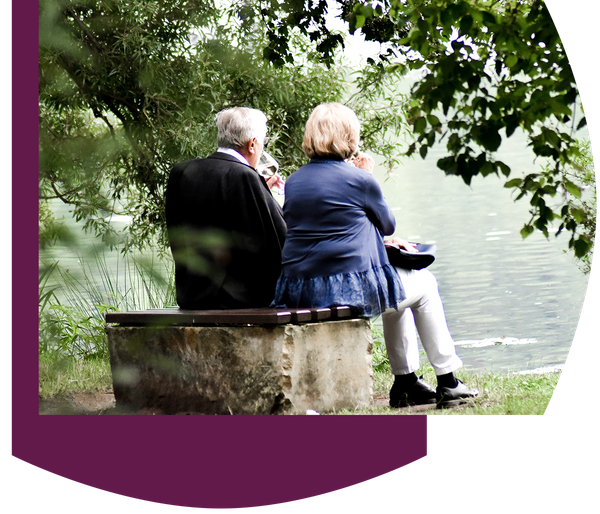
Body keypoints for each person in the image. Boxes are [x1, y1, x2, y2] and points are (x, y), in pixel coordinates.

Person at [271, 102, 478, 408]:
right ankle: (448, 380)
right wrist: (367, 176)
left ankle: (406, 382)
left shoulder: (296, 181)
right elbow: (387, 224)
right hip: (345, 291)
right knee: (425, 284)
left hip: (301, 288)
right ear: (348, 135)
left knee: (399, 292)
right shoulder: (359, 179)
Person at [165, 106, 287, 310]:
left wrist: (260, 188)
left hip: (191, 296)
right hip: (236, 301)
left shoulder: (181, 172)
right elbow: (276, 241)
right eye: (263, 143)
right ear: (253, 144)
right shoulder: (244, 177)